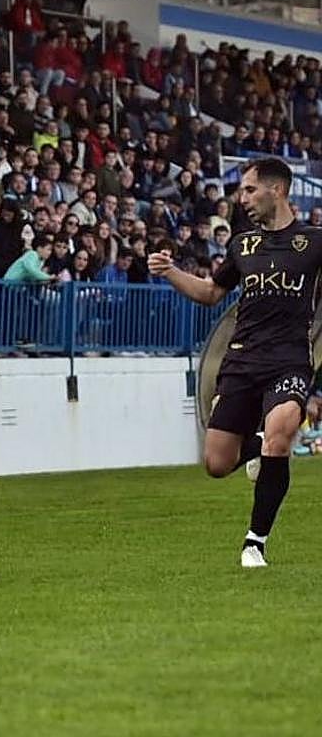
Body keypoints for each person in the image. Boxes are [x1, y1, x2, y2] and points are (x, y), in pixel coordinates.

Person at [149, 158, 322, 568]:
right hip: (242, 361)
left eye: (248, 189)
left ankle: (254, 542)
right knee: (217, 463)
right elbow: (211, 292)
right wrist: (171, 271)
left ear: (276, 190)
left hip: (290, 361)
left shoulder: (315, 242)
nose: (241, 198)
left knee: (281, 432)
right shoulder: (242, 245)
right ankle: (259, 445)